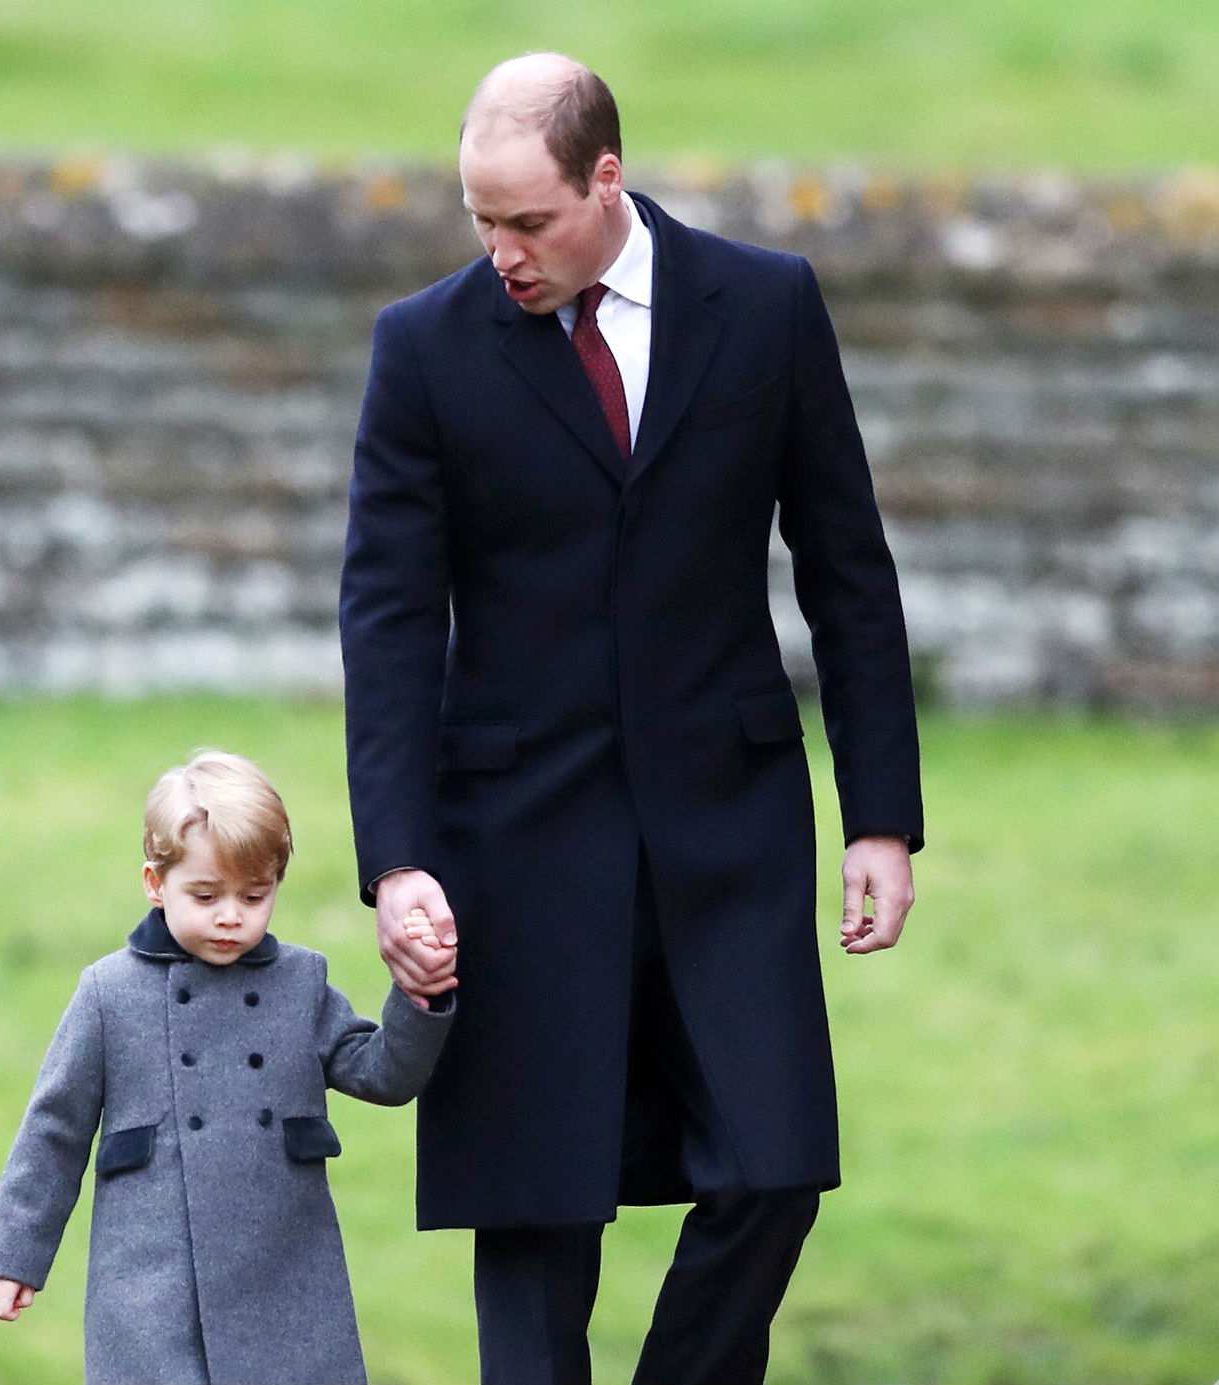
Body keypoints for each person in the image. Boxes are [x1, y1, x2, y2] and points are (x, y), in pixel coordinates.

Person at [338, 54, 924, 1385]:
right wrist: (398, 857)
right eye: (479, 220)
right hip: (513, 835)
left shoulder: (765, 306)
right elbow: (386, 617)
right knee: (535, 1213)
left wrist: (881, 817)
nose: (501, 252)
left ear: (607, 178)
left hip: (730, 823)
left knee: (774, 1170)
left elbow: (847, 569)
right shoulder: (422, 346)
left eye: (527, 221)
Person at [0, 750, 457, 1385]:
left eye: (254, 896)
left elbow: (383, 1075)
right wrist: (15, 1256)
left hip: (287, 1276)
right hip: (151, 1284)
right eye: (205, 895)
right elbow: (54, 1130)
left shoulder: (301, 983)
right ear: (155, 883)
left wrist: (418, 997)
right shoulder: (109, 993)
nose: (231, 915)